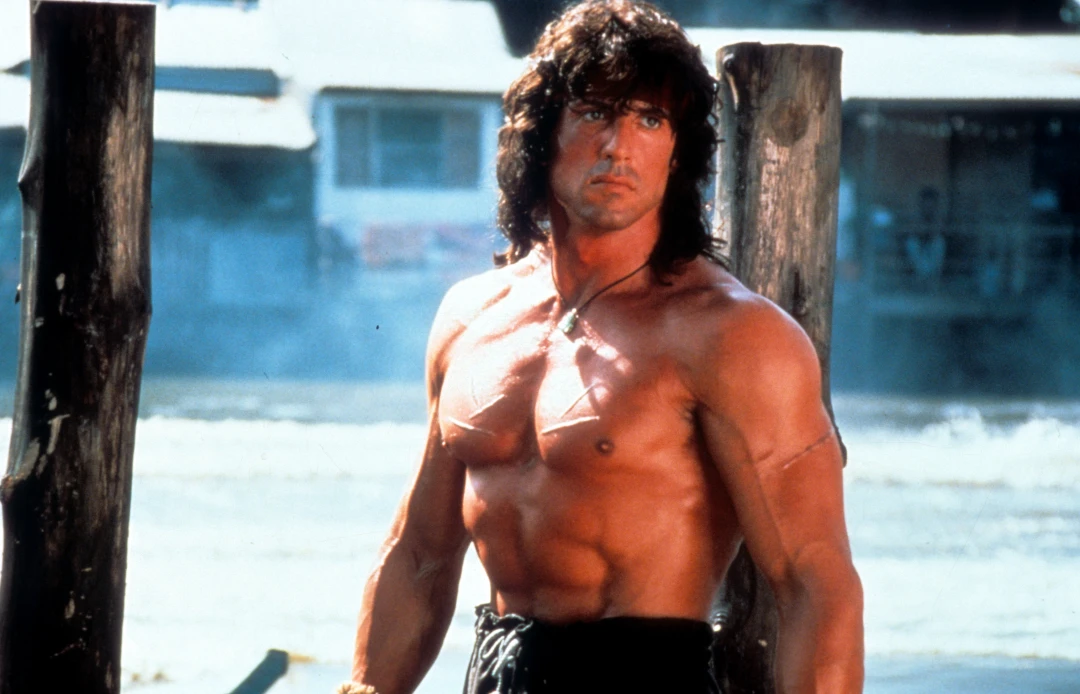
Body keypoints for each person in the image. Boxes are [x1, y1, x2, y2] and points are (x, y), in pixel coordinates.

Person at [341, 1, 863, 692]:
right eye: (594, 112)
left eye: (650, 119)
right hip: (497, 671)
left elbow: (815, 580)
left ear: (677, 153)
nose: (619, 145)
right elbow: (420, 557)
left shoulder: (732, 334)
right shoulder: (472, 317)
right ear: (541, 135)